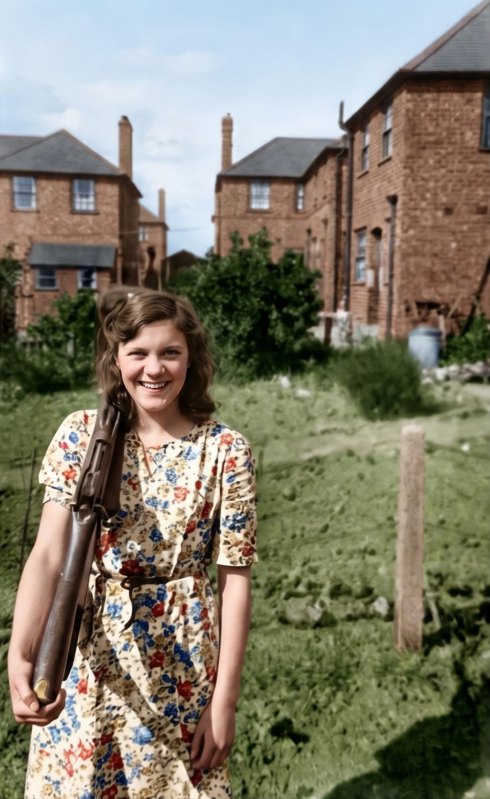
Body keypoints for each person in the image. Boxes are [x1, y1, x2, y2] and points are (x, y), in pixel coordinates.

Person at [8, 287, 259, 799]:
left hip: (182, 663)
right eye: (138, 352)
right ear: (116, 357)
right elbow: (49, 555)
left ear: (192, 359)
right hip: (87, 661)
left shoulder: (225, 451)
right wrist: (22, 654)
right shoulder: (83, 436)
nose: (154, 368)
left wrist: (224, 701)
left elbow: (235, 582)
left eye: (170, 352)